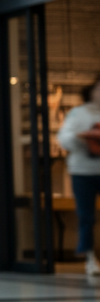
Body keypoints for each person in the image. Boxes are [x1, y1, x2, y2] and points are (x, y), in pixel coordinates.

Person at [57, 75, 100, 276]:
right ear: (91, 91)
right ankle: (90, 258)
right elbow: (64, 138)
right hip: (82, 171)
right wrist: (80, 138)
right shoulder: (78, 114)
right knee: (86, 216)